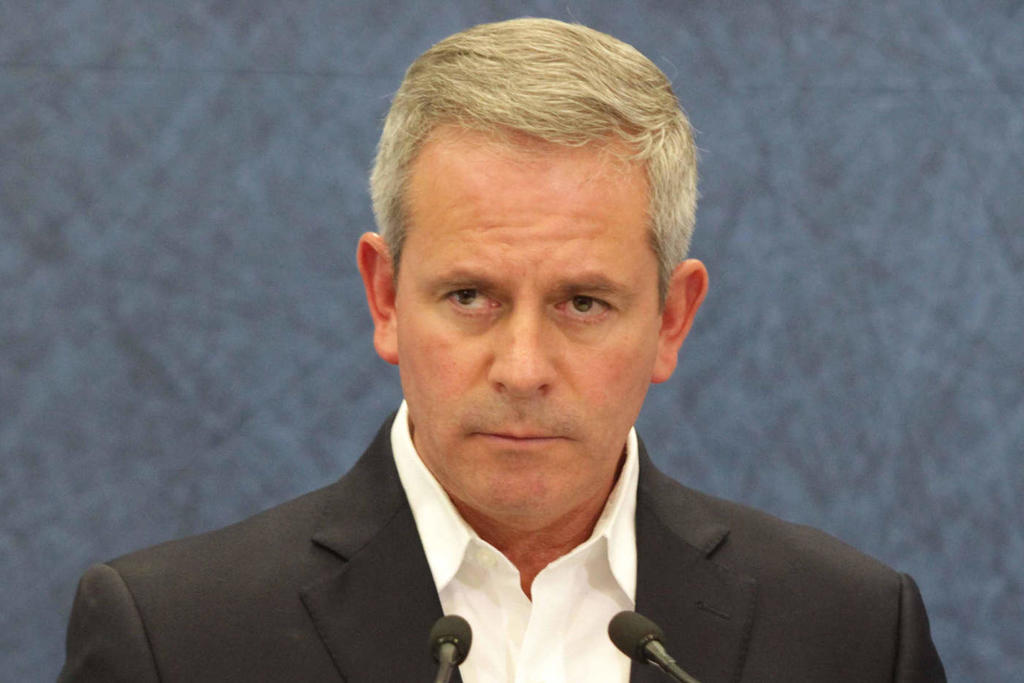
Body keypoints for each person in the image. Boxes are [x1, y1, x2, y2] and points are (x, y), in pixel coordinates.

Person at [59, 18, 946, 682]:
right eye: (470, 296)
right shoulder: (175, 637)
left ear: (672, 319)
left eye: (584, 303)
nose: (523, 368)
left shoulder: (854, 632)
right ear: (385, 297)